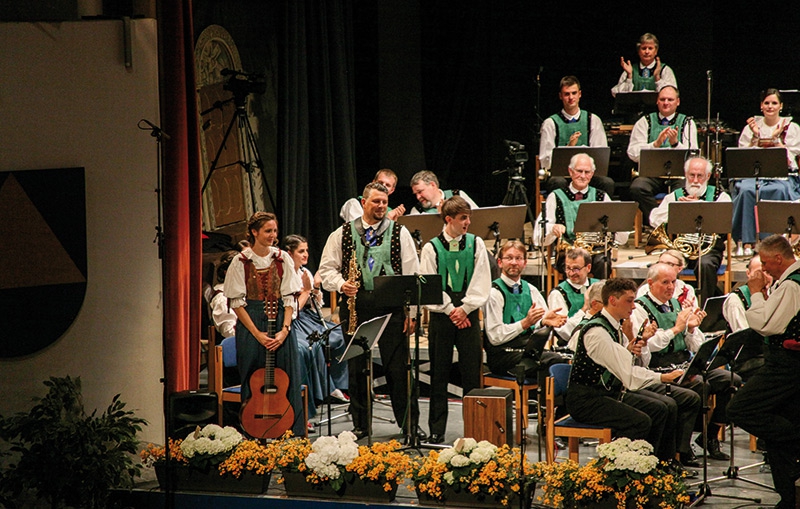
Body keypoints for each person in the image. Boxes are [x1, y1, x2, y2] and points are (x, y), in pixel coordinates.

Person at [319, 181, 421, 441]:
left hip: (392, 307)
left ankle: (409, 424)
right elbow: (326, 269)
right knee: (356, 368)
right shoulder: (341, 234)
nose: (381, 206)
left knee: (398, 368)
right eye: (376, 201)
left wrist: (411, 314)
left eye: (385, 202)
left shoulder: (400, 232)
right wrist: (342, 284)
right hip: (356, 306)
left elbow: (412, 272)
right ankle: (361, 424)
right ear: (363, 202)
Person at [566, 278, 689, 465]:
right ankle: (622, 471)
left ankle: (661, 465)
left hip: (608, 392)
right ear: (613, 300)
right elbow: (628, 376)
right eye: (629, 301)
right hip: (587, 400)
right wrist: (662, 377)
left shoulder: (615, 326)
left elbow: (625, 364)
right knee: (640, 421)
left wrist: (631, 349)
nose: (633, 306)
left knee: (663, 407)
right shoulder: (597, 332)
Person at [632, 262, 739, 461]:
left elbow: (695, 345)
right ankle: (681, 450)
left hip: (684, 362)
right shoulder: (640, 308)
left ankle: (710, 435)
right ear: (650, 283)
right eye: (665, 282)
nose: (671, 287)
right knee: (698, 385)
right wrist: (676, 329)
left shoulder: (675, 304)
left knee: (730, 379)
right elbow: (647, 345)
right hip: (659, 365)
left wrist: (690, 329)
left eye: (673, 281)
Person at [728, 234, 800, 509]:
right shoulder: (790, 282)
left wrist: (756, 292)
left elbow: (765, 324)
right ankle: (788, 497)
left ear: (779, 259)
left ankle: (795, 437)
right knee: (776, 426)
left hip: (786, 365)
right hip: (789, 362)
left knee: (740, 409)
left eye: (767, 263)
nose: (765, 269)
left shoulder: (792, 286)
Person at [223, 212, 305, 437]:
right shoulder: (240, 261)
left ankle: (290, 436)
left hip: (280, 321)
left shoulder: (282, 258)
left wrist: (284, 330)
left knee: (288, 377)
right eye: (268, 231)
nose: (273, 235)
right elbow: (238, 304)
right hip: (251, 325)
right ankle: (254, 433)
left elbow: (290, 298)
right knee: (253, 379)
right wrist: (258, 334)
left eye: (275, 231)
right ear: (254, 232)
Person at [419, 196, 491, 444]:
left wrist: (466, 308)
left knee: (472, 373)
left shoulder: (476, 243)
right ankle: (437, 429)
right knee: (438, 374)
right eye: (463, 218)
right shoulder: (431, 248)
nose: (468, 222)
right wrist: (451, 309)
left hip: (468, 315)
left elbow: (482, 278)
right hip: (442, 316)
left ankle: (474, 428)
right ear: (448, 220)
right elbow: (430, 283)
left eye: (469, 217)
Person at [283, 234, 349, 420]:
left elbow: (316, 305)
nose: (305, 255)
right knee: (314, 344)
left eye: (306, 251)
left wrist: (316, 288)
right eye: (301, 251)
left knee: (337, 334)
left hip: (308, 316)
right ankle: (322, 392)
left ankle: (337, 385)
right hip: (294, 320)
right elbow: (293, 309)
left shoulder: (305, 272)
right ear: (290, 253)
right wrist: (306, 290)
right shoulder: (284, 275)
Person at [533, 152, 628, 279]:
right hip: (568, 252)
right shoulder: (555, 196)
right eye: (579, 171)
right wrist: (552, 228)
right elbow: (537, 236)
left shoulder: (602, 196)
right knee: (573, 263)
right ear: (570, 171)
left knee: (603, 262)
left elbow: (621, 237)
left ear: (592, 174)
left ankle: (599, 296)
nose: (583, 176)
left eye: (587, 172)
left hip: (595, 253)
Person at [649, 156, 730, 304]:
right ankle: (667, 306)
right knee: (665, 265)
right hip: (680, 249)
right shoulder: (675, 196)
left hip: (708, 250)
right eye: (692, 175)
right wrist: (676, 211)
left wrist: (699, 206)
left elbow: (726, 223)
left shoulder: (720, 196)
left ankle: (704, 310)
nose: (695, 180)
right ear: (686, 175)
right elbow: (654, 219)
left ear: (708, 176)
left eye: (700, 176)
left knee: (705, 265)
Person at [731, 89, 800, 254]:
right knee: (747, 190)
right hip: (755, 176)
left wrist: (776, 141)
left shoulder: (791, 127)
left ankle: (773, 241)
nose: (770, 106)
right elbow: (743, 156)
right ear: (761, 106)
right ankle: (747, 242)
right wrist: (756, 137)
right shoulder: (751, 127)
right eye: (767, 103)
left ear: (781, 106)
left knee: (777, 190)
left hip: (782, 177)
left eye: (774, 103)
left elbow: (792, 158)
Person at [627, 86, 698, 226]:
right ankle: (659, 224)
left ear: (677, 102)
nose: (666, 102)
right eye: (662, 99)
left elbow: (693, 156)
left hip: (678, 176)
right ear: (657, 101)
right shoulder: (644, 121)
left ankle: (676, 226)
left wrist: (676, 144)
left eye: (670, 99)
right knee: (637, 188)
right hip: (651, 176)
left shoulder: (687, 123)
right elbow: (632, 153)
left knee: (686, 190)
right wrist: (655, 144)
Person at [538, 75, 614, 196]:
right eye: (566, 94)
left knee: (607, 183)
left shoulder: (592, 120)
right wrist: (568, 147)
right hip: (562, 176)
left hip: (586, 175)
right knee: (557, 182)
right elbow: (545, 162)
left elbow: (601, 157)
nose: (571, 98)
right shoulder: (551, 123)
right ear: (560, 96)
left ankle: (599, 215)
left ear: (580, 94)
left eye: (574, 93)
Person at [547, 247, 601, 344]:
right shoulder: (558, 293)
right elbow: (564, 331)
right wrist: (585, 308)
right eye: (568, 268)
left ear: (588, 268)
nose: (571, 273)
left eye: (576, 269)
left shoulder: (599, 285)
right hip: (572, 345)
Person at [611, 32, 677, 96]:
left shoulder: (665, 70)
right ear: (638, 51)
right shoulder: (630, 69)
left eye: (650, 48)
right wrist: (629, 77)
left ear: (656, 51)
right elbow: (616, 94)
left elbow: (672, 95)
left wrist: (657, 78)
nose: (647, 52)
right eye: (644, 48)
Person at [723, 254, 770, 333]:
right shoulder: (736, 300)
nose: (763, 277)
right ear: (748, 273)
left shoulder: (776, 292)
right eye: (758, 273)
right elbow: (743, 336)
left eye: (767, 272)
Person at [340, 169, 406, 222]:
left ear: (392, 190)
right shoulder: (354, 204)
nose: (383, 186)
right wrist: (387, 220)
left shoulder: (389, 211)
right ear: (373, 183)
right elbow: (357, 233)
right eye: (380, 182)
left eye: (387, 185)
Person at [408, 170, 478, 214]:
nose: (418, 197)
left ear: (432, 185)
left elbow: (478, 217)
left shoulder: (458, 195)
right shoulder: (417, 211)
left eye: (420, 192)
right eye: (416, 194)